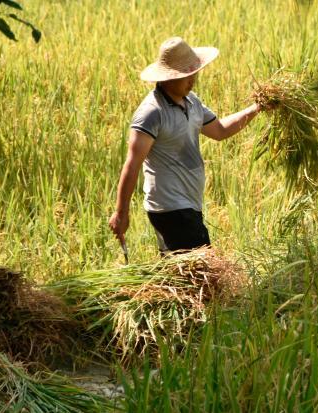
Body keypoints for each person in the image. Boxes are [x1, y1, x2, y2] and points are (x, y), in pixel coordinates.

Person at [108, 36, 268, 254]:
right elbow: (132, 164)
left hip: (189, 205)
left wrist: (257, 108)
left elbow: (220, 131)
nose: (192, 79)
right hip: (169, 207)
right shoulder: (152, 113)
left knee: (181, 279)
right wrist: (121, 213)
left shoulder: (192, 101)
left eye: (193, 73)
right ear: (167, 78)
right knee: (205, 272)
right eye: (185, 75)